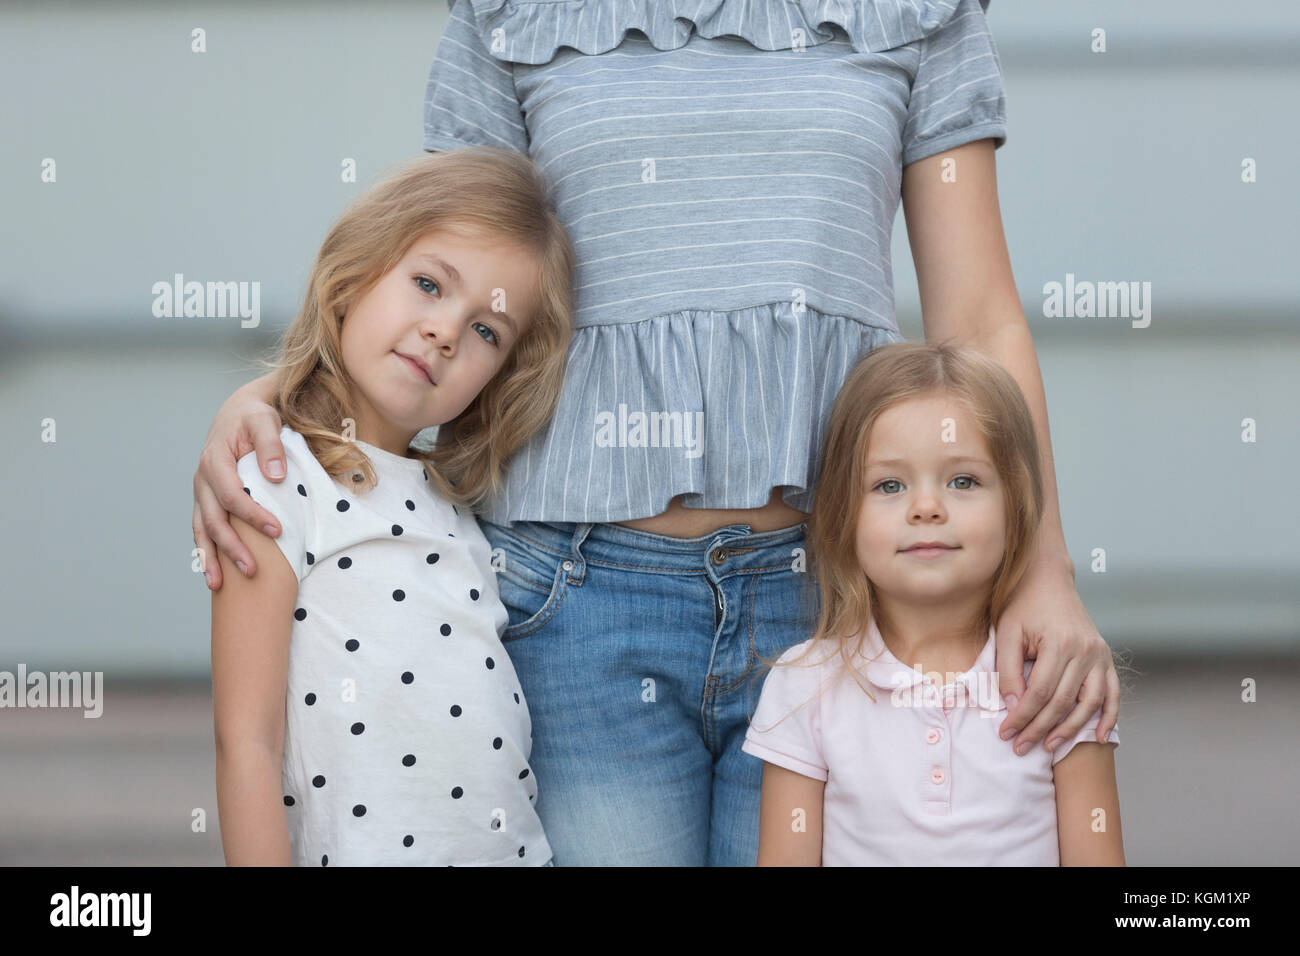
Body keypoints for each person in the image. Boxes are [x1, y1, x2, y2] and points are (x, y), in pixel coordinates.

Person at [195, 0, 1120, 866]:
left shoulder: (913, 13)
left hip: (833, 600)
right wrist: (282, 396)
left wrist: (1043, 568)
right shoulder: (518, 13)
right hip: (576, 602)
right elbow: (442, 266)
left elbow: (979, 321)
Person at [210, 147, 575, 866]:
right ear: (356, 273)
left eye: (485, 332)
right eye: (429, 284)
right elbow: (245, 744)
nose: (446, 331)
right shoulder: (278, 477)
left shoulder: (461, 507)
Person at [743, 342, 1123, 865]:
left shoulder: (1058, 684)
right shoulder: (804, 686)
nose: (925, 507)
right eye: (889, 484)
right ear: (842, 514)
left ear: (1018, 505)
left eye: (962, 480)